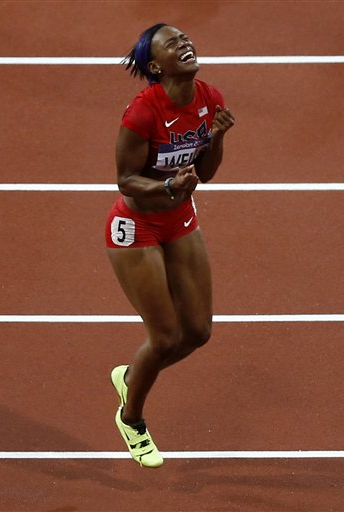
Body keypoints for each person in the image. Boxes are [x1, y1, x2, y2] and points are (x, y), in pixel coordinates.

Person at [105, 23, 235, 468]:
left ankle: (131, 376)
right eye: (172, 43)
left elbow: (207, 173)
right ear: (156, 66)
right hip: (136, 226)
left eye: (186, 39)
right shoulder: (143, 112)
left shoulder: (210, 98)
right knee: (163, 337)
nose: (185, 44)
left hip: (179, 219)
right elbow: (126, 180)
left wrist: (217, 137)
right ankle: (131, 418)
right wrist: (167, 186)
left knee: (197, 332)